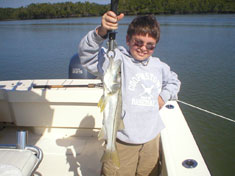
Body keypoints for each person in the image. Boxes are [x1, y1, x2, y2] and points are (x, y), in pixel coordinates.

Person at [78, 11, 181, 176]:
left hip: (151, 138)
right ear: (128, 40)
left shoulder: (159, 66)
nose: (143, 48)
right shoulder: (117, 59)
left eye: (150, 45)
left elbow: (174, 81)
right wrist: (101, 32)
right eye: (138, 42)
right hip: (123, 140)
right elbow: (87, 56)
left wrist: (163, 97)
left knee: (148, 172)